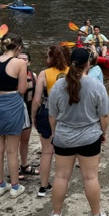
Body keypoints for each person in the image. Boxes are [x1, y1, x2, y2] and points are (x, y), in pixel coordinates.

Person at [47, 47, 109, 216]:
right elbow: (104, 116)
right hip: (89, 138)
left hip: (63, 138)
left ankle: (56, 215)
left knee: (61, 177)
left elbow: (52, 115)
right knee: (90, 178)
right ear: (88, 65)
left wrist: (54, 134)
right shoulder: (96, 86)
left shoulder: (58, 86)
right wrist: (103, 133)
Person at [0, 33, 29, 199]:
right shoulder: (20, 63)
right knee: (11, 150)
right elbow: (22, 89)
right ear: (18, 48)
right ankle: (15, 186)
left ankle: (0, 185)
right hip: (11, 106)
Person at [31, 45, 70, 198]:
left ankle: (43, 186)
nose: (46, 59)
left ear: (52, 58)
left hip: (47, 112)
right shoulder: (72, 72)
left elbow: (36, 99)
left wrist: (34, 115)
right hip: (67, 113)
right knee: (64, 152)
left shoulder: (44, 74)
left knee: (47, 151)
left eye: (47, 56)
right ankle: (62, 184)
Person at [17, 49, 39, 180]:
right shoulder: (11, 74)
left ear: (29, 62)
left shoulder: (33, 75)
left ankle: (24, 165)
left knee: (25, 140)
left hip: (28, 109)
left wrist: (34, 115)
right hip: (15, 110)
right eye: (19, 58)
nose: (21, 61)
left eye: (24, 59)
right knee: (12, 143)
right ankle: (14, 169)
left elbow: (36, 96)